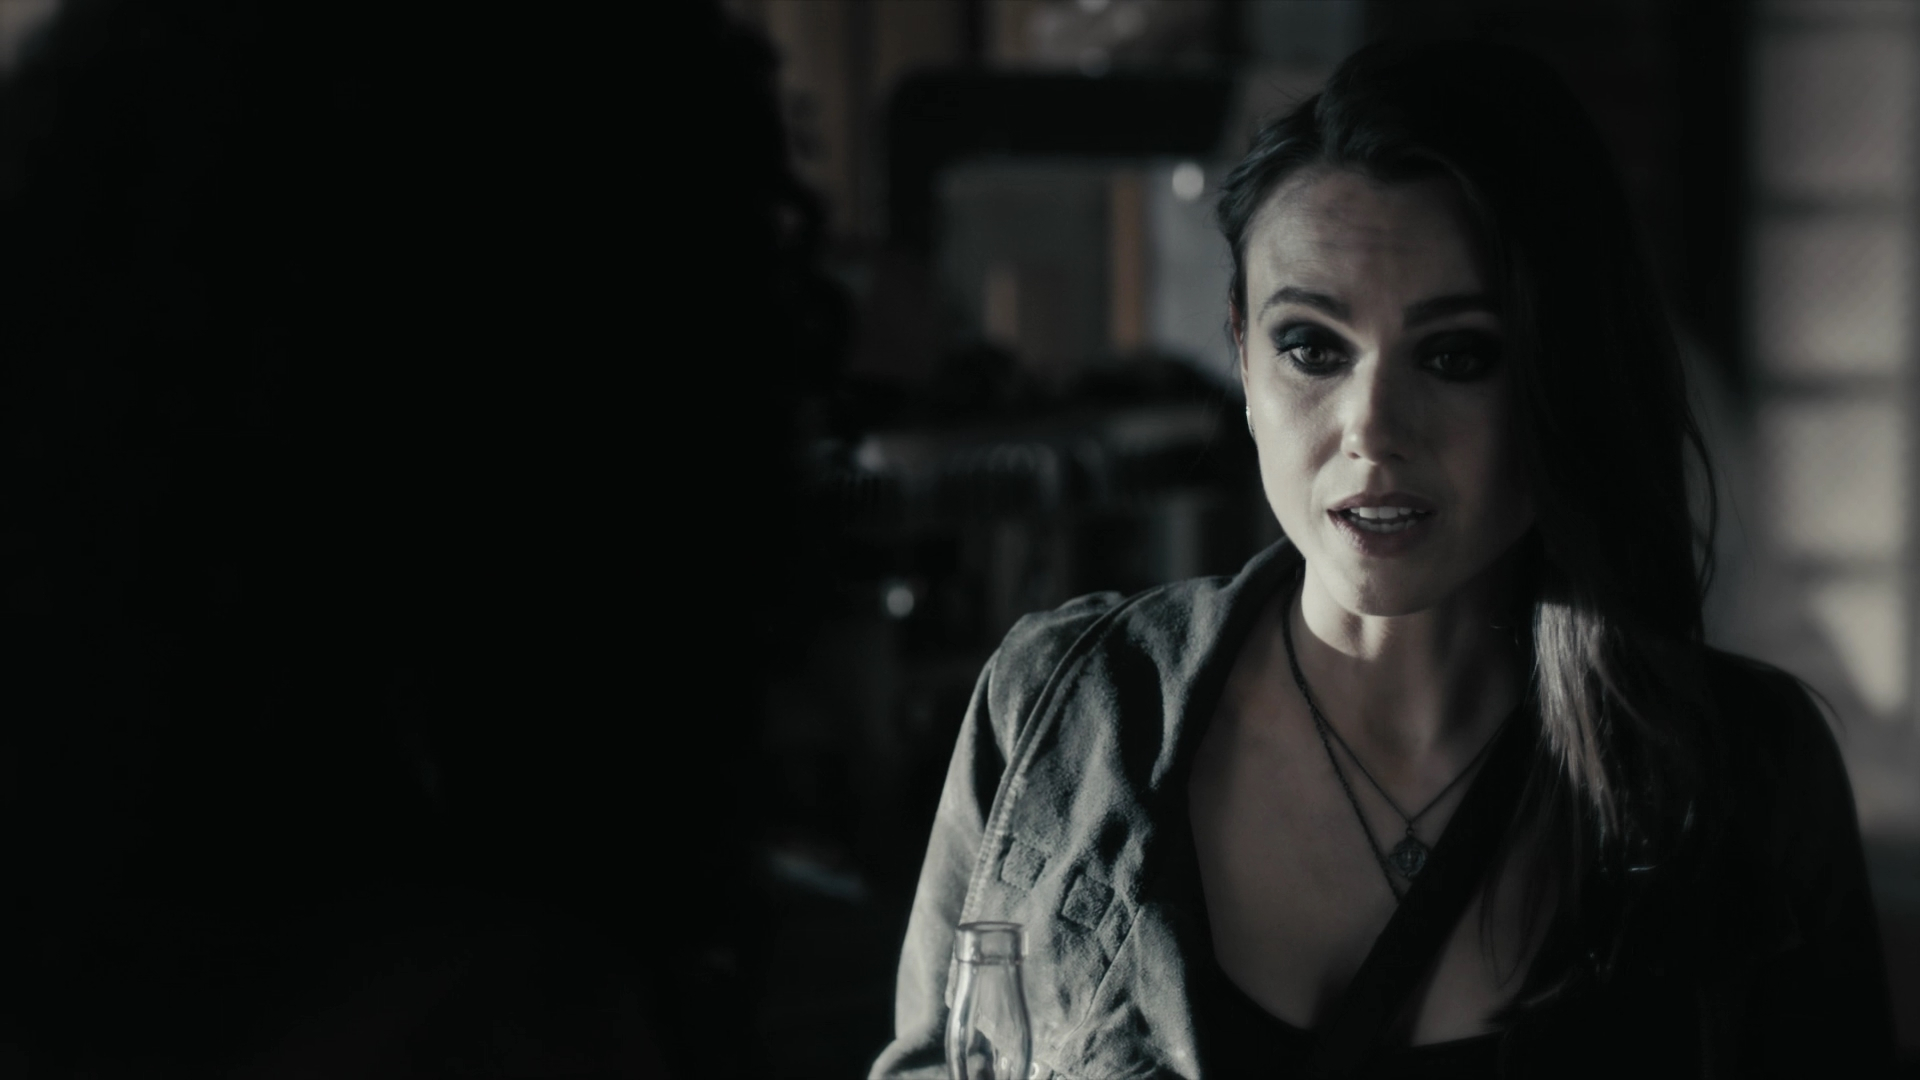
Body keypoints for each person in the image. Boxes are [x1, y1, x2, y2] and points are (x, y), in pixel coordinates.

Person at [870, 40, 1893, 1079]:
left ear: (1559, 375)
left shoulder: (1742, 779)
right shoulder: (1066, 712)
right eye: (1312, 347)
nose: (1372, 429)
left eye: (1456, 355)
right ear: (1242, 357)